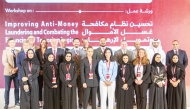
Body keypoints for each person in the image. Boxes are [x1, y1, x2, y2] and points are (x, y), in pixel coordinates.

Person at [2, 38, 20, 109]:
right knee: (7, 89)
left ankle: (17, 102)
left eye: (13, 42)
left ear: (15, 43)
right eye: (11, 42)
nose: (12, 43)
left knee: (17, 88)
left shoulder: (18, 51)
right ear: (8, 43)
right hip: (8, 73)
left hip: (17, 72)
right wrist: (12, 69)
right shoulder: (5, 51)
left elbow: (20, 62)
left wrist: (16, 69)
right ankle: (6, 103)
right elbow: (4, 62)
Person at [93, 37, 110, 107]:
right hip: (99, 72)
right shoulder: (96, 50)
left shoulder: (109, 49)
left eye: (104, 41)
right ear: (99, 42)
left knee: (108, 87)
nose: (103, 42)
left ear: (106, 41)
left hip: (108, 73)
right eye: (101, 41)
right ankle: (100, 101)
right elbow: (94, 61)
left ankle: (107, 102)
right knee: (100, 88)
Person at [69, 38, 86, 108]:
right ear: (73, 43)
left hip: (81, 73)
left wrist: (81, 71)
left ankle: (80, 103)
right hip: (72, 74)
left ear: (80, 43)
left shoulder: (83, 52)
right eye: (75, 42)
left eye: (77, 42)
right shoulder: (69, 51)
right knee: (72, 88)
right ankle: (72, 102)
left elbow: (85, 63)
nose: (76, 43)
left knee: (80, 89)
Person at [36, 39, 48, 107]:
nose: (43, 43)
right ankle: (40, 100)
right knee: (39, 86)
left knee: (47, 86)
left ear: (47, 44)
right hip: (39, 71)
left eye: (45, 42)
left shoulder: (49, 51)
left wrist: (45, 70)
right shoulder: (37, 51)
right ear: (40, 43)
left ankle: (46, 100)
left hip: (47, 71)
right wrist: (39, 70)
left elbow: (50, 60)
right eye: (42, 42)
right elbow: (36, 61)